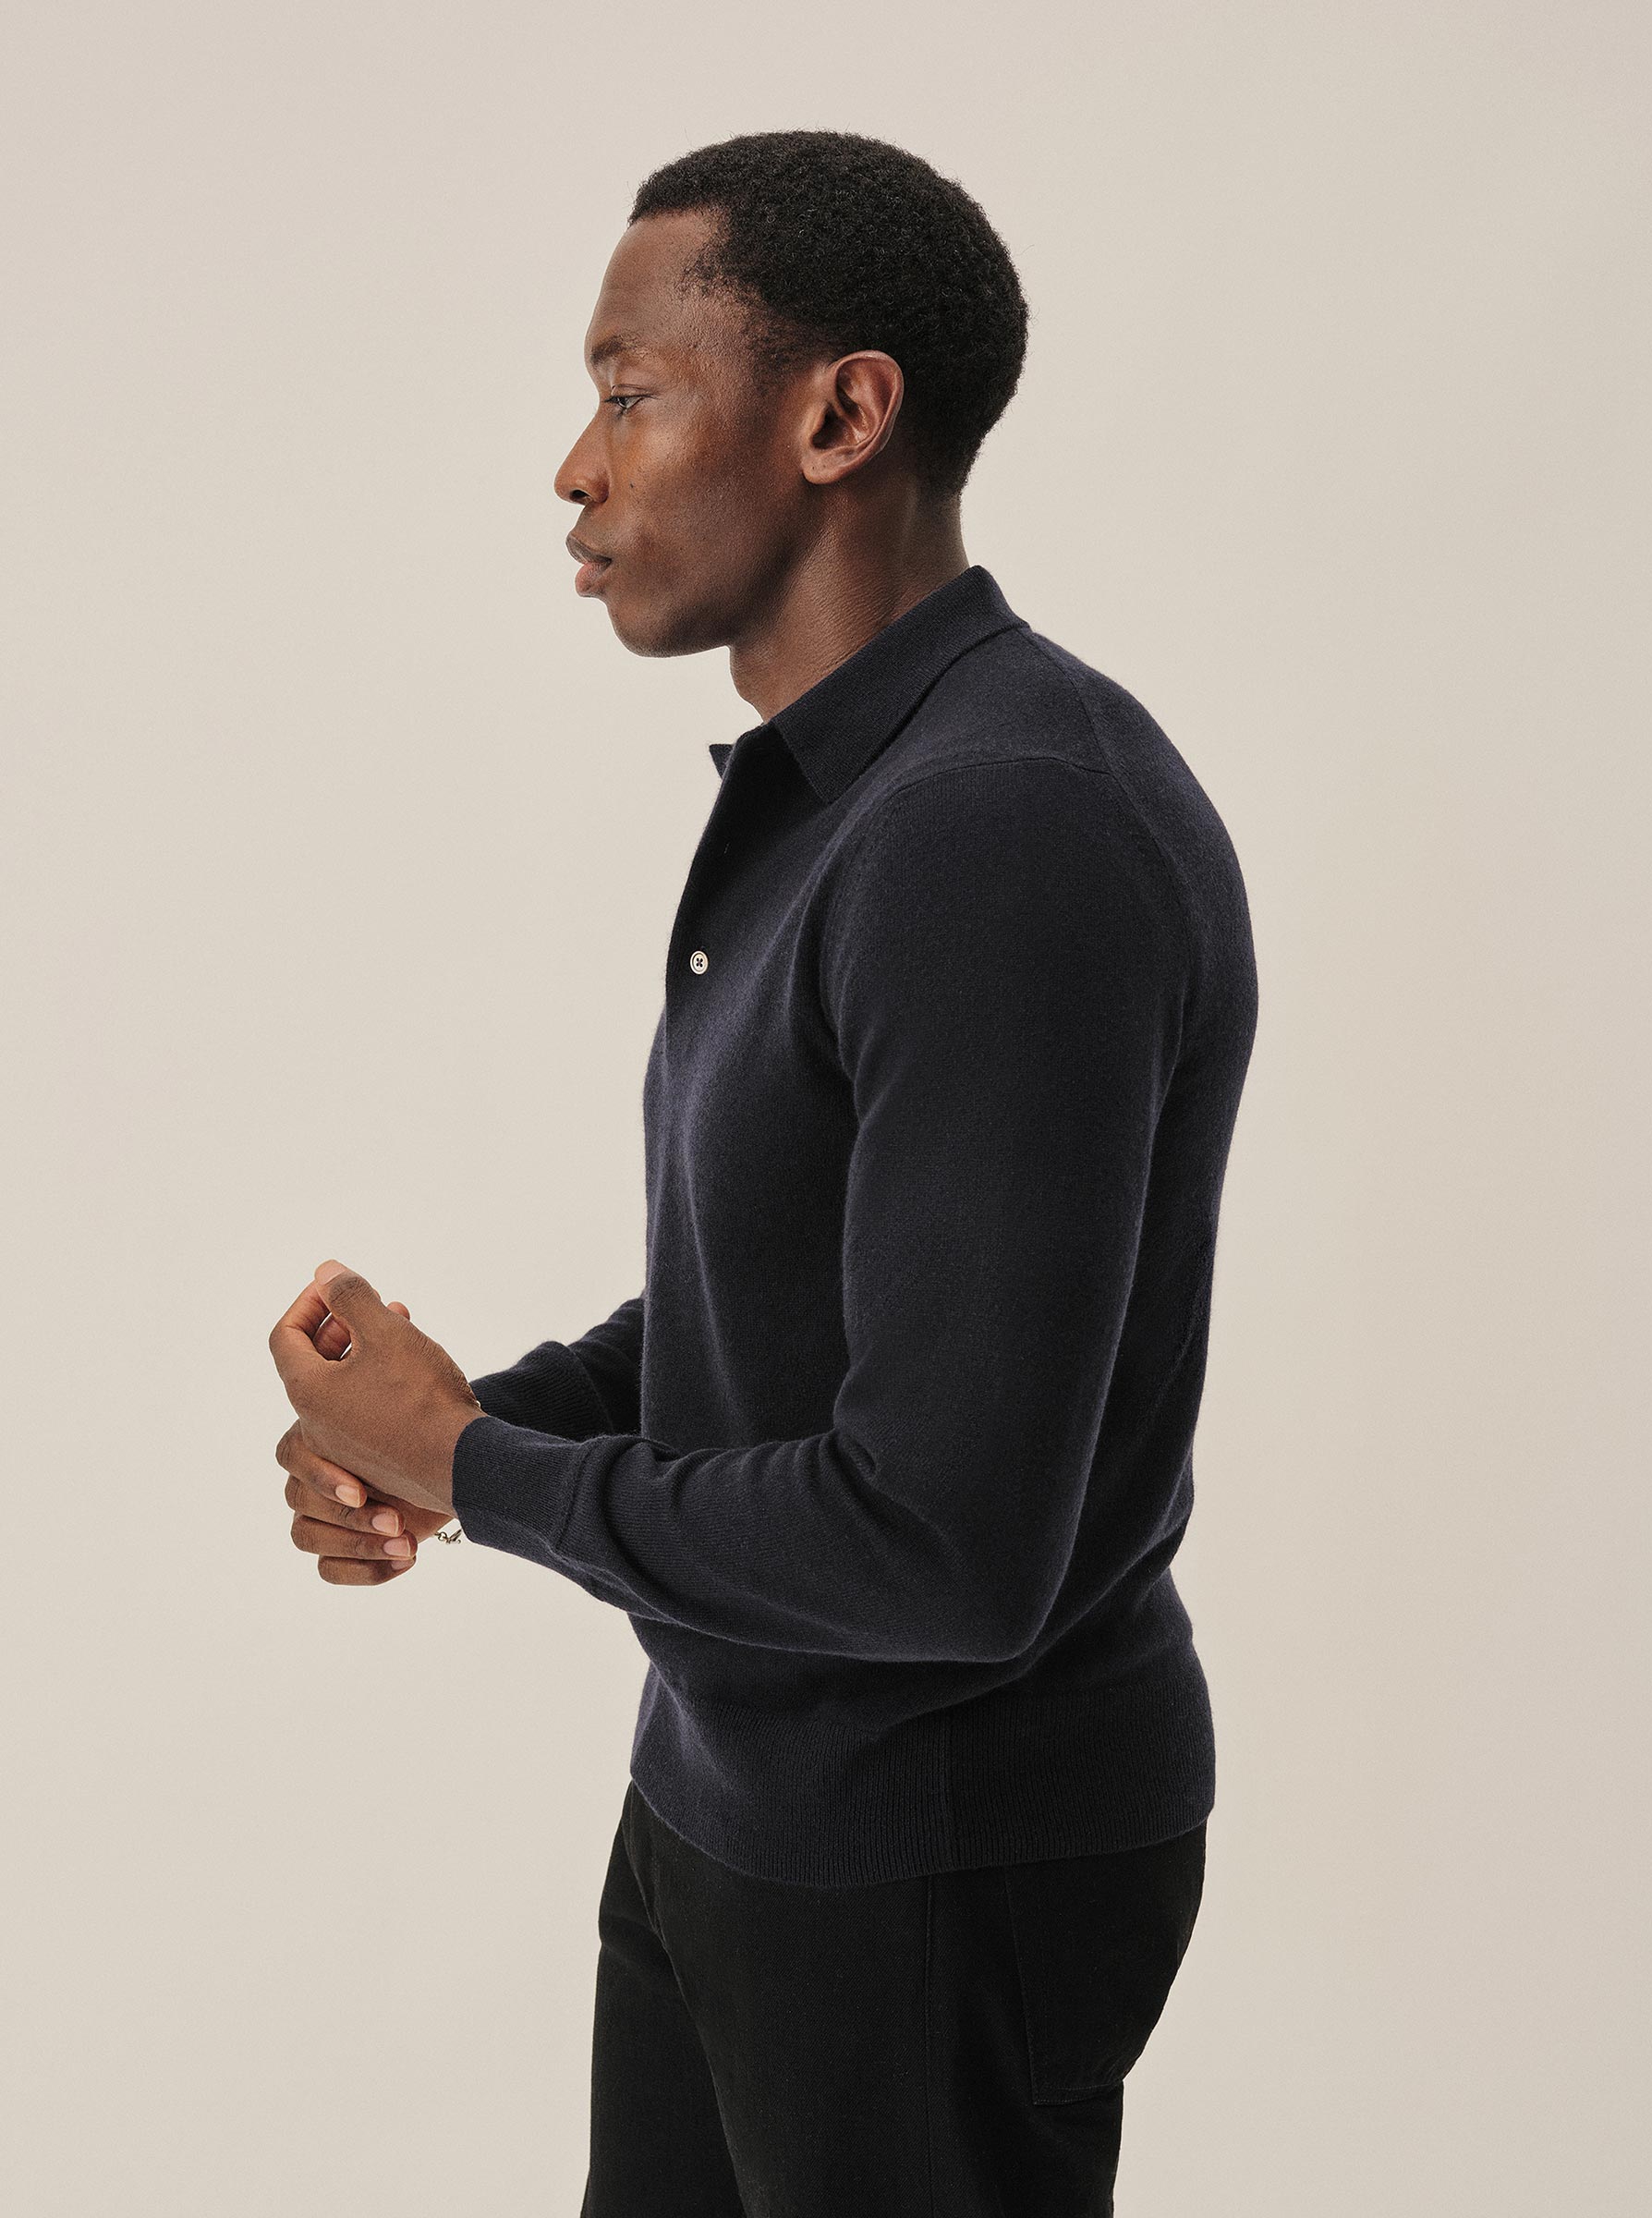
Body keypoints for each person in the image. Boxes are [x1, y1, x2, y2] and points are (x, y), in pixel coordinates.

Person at [272, 127, 1258, 2216]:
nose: (575, 469)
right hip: (737, 1801)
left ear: (839, 417)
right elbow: (789, 1284)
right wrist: (463, 1429)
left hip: (935, 1869)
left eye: (631, 394)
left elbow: (942, 1543)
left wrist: (479, 1470)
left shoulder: (1001, 829)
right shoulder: (855, 799)